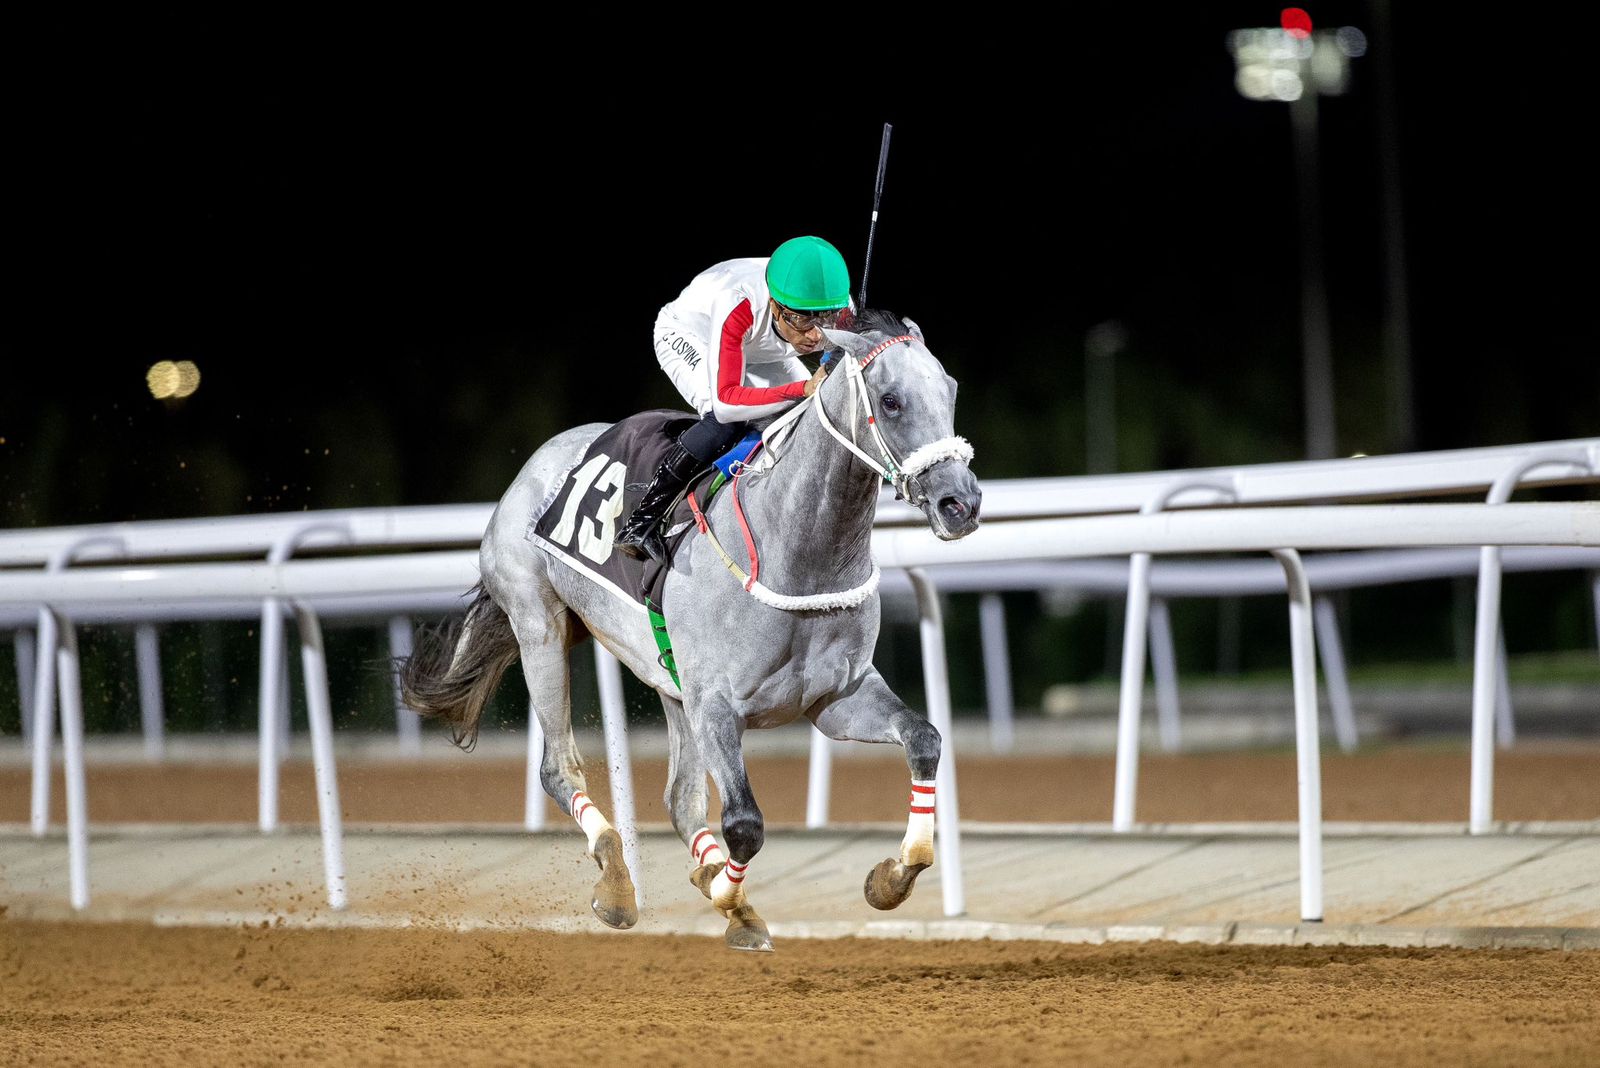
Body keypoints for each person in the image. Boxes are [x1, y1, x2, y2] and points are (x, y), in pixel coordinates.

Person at [613, 235, 853, 564]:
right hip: (691, 334)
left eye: (825, 318)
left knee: (813, 411)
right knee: (725, 422)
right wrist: (803, 388)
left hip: (762, 348)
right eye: (803, 319)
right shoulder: (739, 303)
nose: (815, 334)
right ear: (774, 305)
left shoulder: (840, 306)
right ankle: (642, 521)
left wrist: (834, 360)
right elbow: (727, 402)